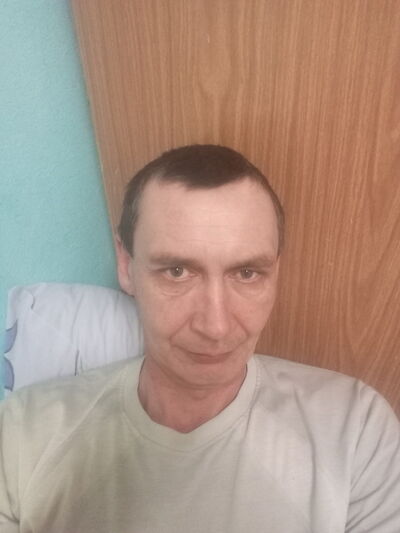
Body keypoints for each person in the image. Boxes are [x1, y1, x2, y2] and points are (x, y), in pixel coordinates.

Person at [0, 145, 399, 532]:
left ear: (275, 272)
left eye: (247, 273)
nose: (216, 327)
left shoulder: (356, 430)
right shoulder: (21, 434)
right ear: (126, 265)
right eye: (176, 272)